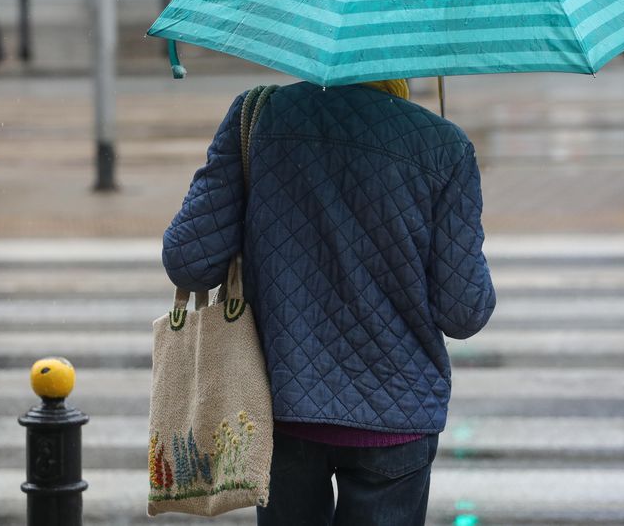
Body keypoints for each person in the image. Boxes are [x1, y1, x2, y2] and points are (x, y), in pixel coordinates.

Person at [163, 80, 496, 525]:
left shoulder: (261, 116)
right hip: (396, 414)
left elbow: (189, 262)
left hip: (280, 403)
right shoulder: (443, 145)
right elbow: (463, 312)